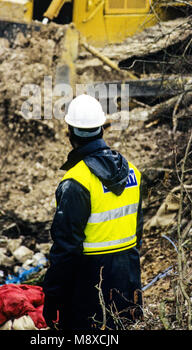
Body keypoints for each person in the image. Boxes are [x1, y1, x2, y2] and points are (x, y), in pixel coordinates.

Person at [42, 94, 144, 331]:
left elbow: (66, 247)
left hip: (88, 284)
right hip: (127, 277)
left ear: (70, 134)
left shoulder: (76, 182)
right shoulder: (133, 172)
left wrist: (53, 296)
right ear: (101, 130)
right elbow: (137, 230)